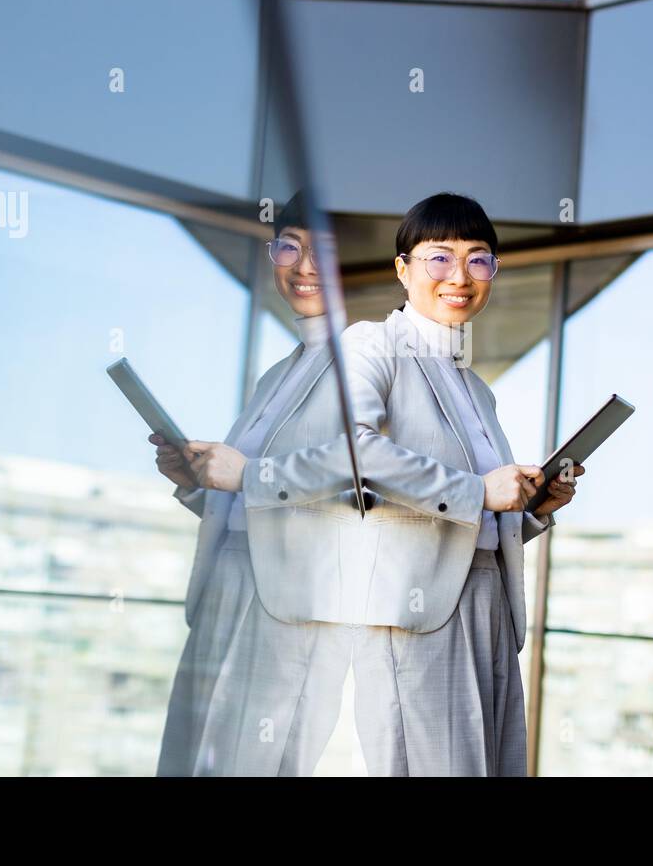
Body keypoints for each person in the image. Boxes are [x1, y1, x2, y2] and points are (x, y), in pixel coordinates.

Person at [246, 191, 586, 775]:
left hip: (487, 602)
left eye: (479, 260)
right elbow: (354, 453)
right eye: (439, 257)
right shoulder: (371, 345)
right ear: (403, 269)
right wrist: (481, 491)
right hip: (414, 608)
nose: (460, 276)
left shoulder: (476, 389)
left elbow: (466, 517)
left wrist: (530, 508)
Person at [153, 193, 353, 776]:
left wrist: (243, 474)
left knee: (260, 761)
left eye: (325, 252)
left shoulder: (365, 366)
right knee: (192, 757)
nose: (304, 265)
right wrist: (196, 484)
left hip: (291, 601)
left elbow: (357, 492)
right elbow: (254, 497)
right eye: (289, 246)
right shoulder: (279, 373)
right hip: (229, 583)